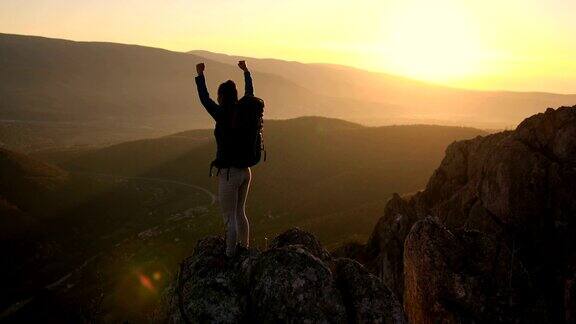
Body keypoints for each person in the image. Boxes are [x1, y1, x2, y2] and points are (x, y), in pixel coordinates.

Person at [195, 60, 255, 257]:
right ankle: (244, 248)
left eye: (219, 94)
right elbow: (250, 94)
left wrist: (200, 75)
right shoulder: (244, 111)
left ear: (221, 97)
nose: (217, 97)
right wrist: (246, 72)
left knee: (229, 217)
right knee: (240, 213)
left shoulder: (221, 114)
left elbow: (204, 98)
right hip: (246, 171)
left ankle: (230, 256)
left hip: (229, 173)